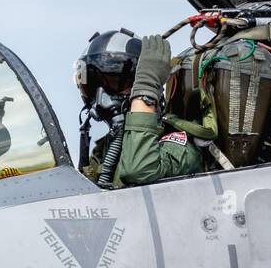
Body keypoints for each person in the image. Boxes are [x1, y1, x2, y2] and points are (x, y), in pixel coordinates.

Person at [76, 31, 216, 186]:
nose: (101, 95)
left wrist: (147, 86)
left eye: (115, 83)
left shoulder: (177, 144)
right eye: (94, 85)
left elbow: (139, 170)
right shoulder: (106, 148)